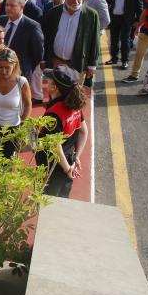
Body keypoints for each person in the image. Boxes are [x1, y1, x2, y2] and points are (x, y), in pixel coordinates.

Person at [36, 67, 88, 198]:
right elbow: (83, 131)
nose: (46, 81)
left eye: (49, 80)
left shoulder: (54, 114)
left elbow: (55, 146)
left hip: (52, 167)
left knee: (47, 205)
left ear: (54, 87)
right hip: (69, 161)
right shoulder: (74, 105)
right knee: (62, 201)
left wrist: (66, 168)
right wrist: (76, 158)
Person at [42, 0, 100, 80]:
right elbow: (46, 37)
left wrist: (92, 65)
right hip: (55, 61)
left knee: (74, 92)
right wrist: (43, 59)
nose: (76, 2)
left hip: (77, 64)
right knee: (54, 91)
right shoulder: (54, 12)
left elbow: (95, 42)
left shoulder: (91, 15)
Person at [106, 0, 144, 70]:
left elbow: (139, 6)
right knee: (113, 40)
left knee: (125, 40)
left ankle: (124, 60)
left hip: (127, 19)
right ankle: (114, 58)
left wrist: (138, 21)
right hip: (114, 17)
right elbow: (108, 3)